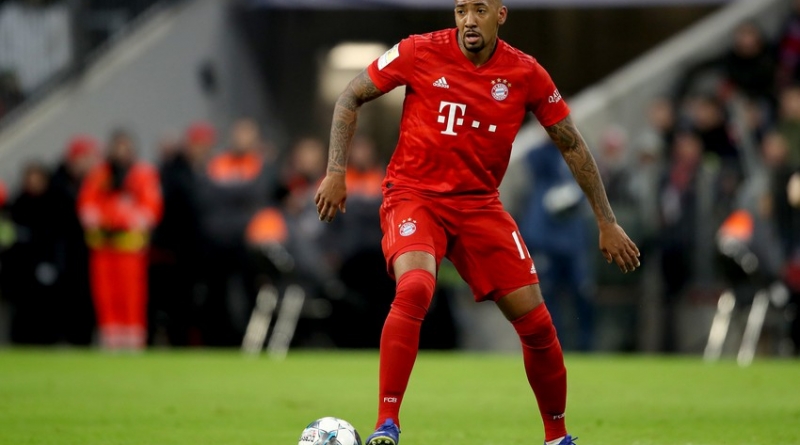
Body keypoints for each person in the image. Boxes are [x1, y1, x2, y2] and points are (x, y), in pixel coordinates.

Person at [314, 2, 640, 445]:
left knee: (537, 324)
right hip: (415, 196)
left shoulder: (526, 73)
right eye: (461, 10)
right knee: (415, 287)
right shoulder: (417, 51)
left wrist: (606, 220)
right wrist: (336, 171)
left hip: (479, 206)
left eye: (479, 10)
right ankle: (386, 424)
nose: (469, 20)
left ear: (500, 15)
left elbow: (572, 145)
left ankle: (557, 437)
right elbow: (350, 96)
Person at [78, 129, 163, 350]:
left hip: (129, 245)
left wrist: (126, 219)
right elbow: (87, 204)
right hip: (103, 245)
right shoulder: (99, 174)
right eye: (118, 147)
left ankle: (133, 338)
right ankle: (110, 338)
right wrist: (101, 220)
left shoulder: (142, 174)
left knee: (132, 294)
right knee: (105, 293)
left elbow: (151, 208)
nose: (121, 152)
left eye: (125, 147)